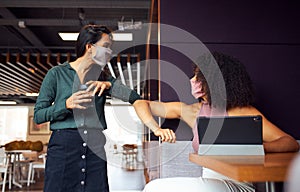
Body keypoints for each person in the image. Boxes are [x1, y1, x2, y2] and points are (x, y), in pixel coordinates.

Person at [34, 24, 175, 192]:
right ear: (89, 47)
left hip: (95, 149)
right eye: (106, 46)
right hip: (63, 149)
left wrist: (156, 128)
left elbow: (137, 100)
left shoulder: (105, 79)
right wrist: (65, 105)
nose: (110, 52)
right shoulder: (56, 74)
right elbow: (39, 115)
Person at [143, 52, 299, 192]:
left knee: (154, 188)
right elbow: (143, 104)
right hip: (211, 182)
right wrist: (156, 128)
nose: (193, 80)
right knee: (153, 187)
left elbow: (290, 143)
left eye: (198, 76)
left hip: (238, 185)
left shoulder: (243, 111)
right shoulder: (193, 111)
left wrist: (253, 148)